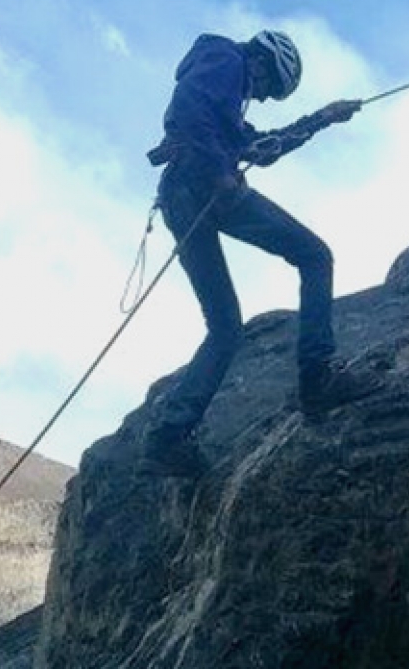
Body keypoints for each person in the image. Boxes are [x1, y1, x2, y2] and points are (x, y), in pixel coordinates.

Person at [141, 30, 380, 477]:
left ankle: (169, 436)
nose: (262, 97)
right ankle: (316, 378)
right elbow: (191, 110)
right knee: (314, 257)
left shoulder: (225, 96)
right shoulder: (225, 58)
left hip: (181, 194)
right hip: (203, 187)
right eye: (268, 88)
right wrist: (219, 176)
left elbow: (258, 148)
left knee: (226, 329)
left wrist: (322, 119)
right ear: (265, 63)